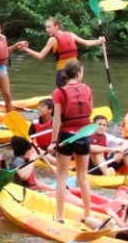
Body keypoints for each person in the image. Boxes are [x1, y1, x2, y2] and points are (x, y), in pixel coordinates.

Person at [49, 59, 94, 223]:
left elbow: (57, 119)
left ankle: (59, 216)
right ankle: (87, 215)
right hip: (83, 135)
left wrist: (53, 142)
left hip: (67, 136)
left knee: (61, 176)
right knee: (83, 176)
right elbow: (91, 111)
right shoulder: (87, 89)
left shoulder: (59, 92)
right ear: (78, 73)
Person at [21, 17, 105, 87]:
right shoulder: (71, 35)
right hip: (76, 71)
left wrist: (26, 49)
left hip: (63, 72)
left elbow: (40, 56)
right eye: (46, 27)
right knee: (73, 90)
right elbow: (86, 43)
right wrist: (98, 41)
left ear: (56, 26)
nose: (47, 30)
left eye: (49, 27)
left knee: (60, 95)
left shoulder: (53, 40)